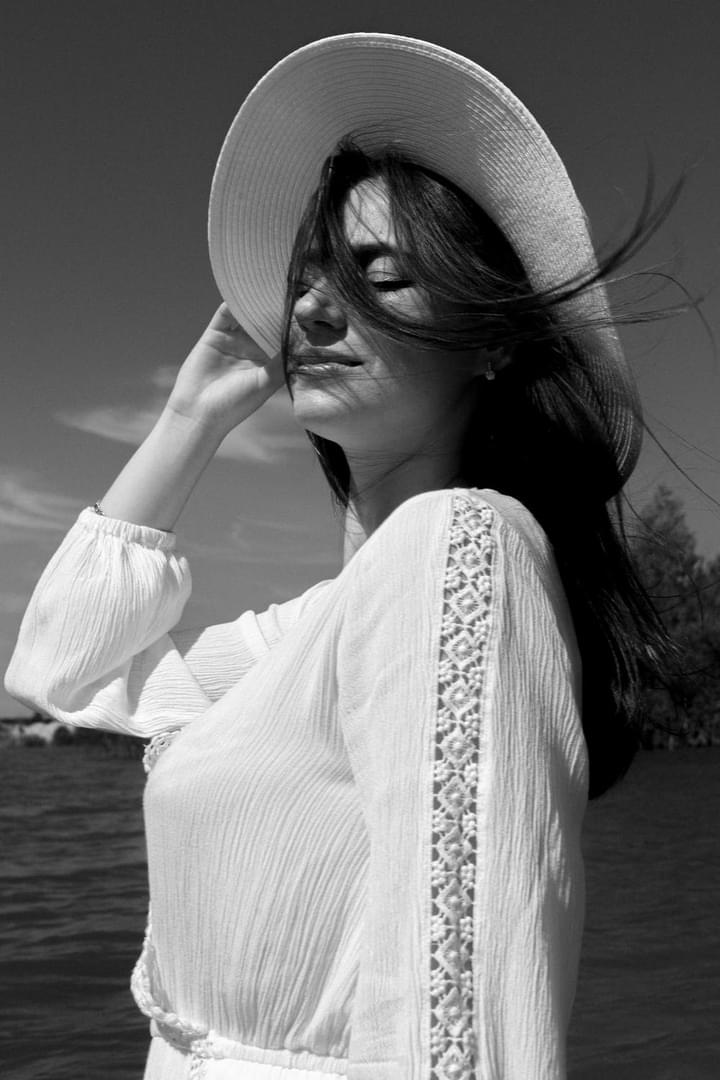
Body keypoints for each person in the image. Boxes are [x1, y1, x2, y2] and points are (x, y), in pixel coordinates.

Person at [5, 33, 674, 1080]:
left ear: (493, 339)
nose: (315, 308)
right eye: (306, 283)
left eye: (382, 276)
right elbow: (60, 675)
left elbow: (458, 1032)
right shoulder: (310, 627)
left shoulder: (459, 547)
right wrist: (191, 413)